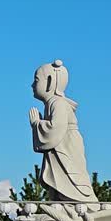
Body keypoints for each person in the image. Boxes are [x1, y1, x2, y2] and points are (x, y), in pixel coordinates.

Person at [29, 60, 95, 202]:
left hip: (67, 147)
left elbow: (55, 129)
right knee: (58, 184)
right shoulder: (52, 104)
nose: (32, 85)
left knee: (72, 180)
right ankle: (61, 202)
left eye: (36, 81)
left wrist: (36, 124)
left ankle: (80, 204)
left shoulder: (58, 103)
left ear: (49, 82)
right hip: (61, 147)